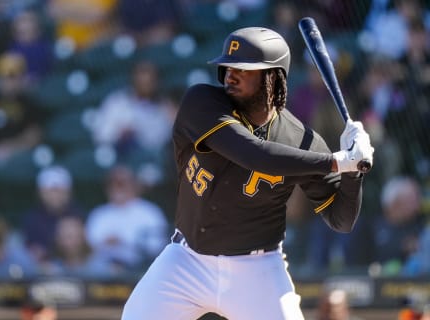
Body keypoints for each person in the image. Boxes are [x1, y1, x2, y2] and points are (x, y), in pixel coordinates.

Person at [122, 27, 374, 319]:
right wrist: (336, 161)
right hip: (186, 261)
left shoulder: (302, 142)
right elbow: (255, 154)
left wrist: (354, 171)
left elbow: (341, 220)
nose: (231, 74)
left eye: (244, 69)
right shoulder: (202, 102)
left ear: (273, 77)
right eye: (228, 67)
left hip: (257, 270)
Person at [85, 164, 169, 272]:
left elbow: (158, 246)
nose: (117, 188)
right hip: (104, 272)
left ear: (133, 185)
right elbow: (86, 249)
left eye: (122, 183)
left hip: (140, 269)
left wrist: (124, 242)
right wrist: (104, 243)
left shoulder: (150, 212)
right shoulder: (98, 214)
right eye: (113, 184)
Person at [20, 165, 86, 271]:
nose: (55, 195)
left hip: (77, 269)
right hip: (42, 271)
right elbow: (31, 251)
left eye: (59, 191)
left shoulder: (78, 215)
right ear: (41, 192)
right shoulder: (32, 218)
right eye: (51, 191)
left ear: (68, 192)